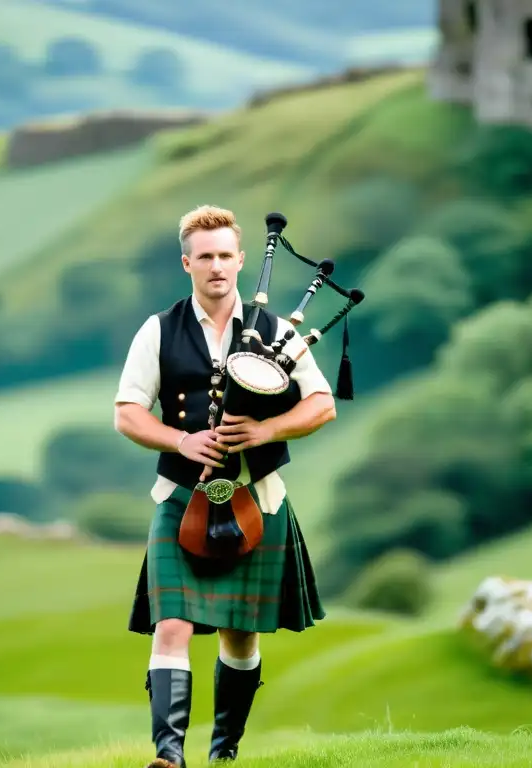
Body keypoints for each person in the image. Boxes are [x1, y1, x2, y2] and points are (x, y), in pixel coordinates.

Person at [113, 205, 336, 768]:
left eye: (224, 256)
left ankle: (224, 752)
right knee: (173, 623)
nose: (215, 266)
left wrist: (265, 428)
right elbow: (128, 414)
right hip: (180, 498)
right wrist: (179, 441)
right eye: (204, 256)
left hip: (256, 500)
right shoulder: (159, 329)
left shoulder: (278, 330)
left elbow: (321, 405)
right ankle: (169, 757)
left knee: (240, 635)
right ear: (187, 263)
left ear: (240, 260)